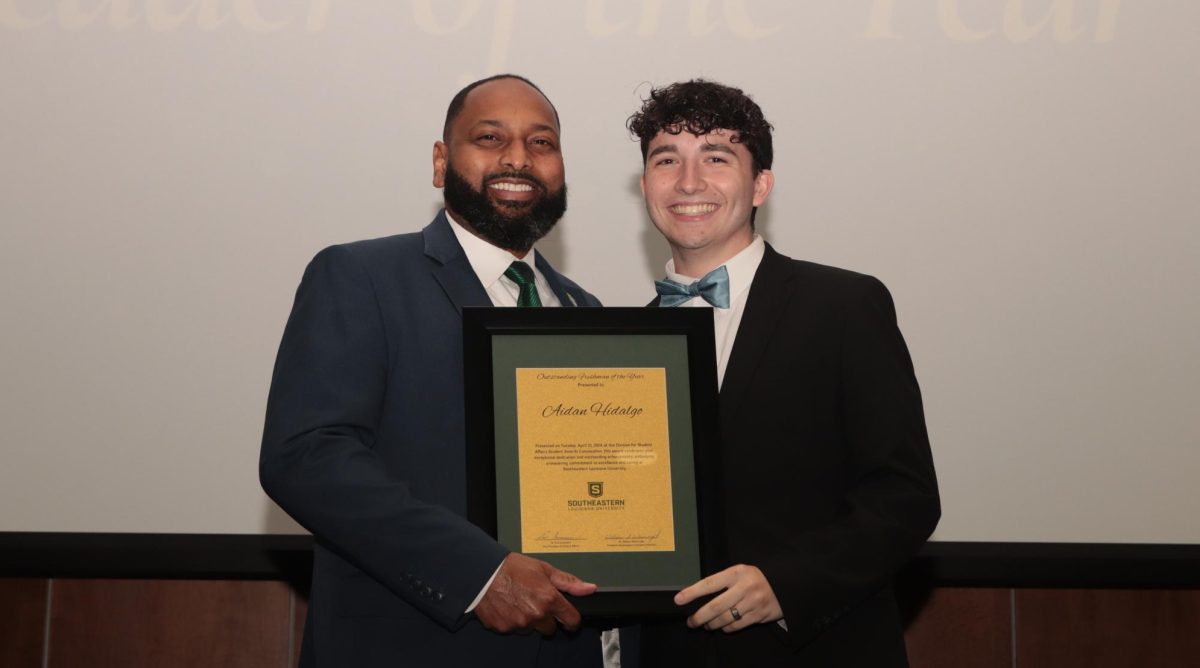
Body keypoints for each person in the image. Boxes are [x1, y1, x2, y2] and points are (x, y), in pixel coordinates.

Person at [260, 74, 603, 668]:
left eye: (541, 142)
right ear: (442, 162)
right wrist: (478, 573)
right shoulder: (361, 276)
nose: (518, 158)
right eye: (490, 137)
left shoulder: (586, 310)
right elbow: (306, 454)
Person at [627, 79, 940, 666]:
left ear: (760, 185)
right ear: (645, 187)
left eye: (716, 158)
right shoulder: (623, 341)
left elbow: (907, 495)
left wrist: (784, 583)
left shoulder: (843, 305)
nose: (688, 182)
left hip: (816, 648)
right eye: (667, 160)